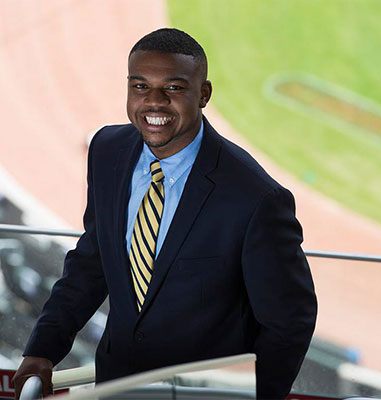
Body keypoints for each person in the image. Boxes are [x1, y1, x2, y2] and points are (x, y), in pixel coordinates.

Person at [13, 28, 317, 399]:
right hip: (116, 385)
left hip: (197, 393)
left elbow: (289, 320)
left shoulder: (255, 198)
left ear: (203, 94)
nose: (154, 102)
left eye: (173, 88)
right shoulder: (107, 151)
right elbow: (92, 261)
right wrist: (44, 347)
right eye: (140, 86)